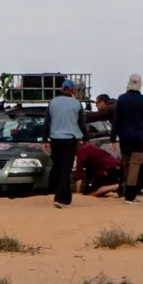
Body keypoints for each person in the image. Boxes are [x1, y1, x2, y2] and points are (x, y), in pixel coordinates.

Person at [46, 79, 84, 207]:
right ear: (72, 91)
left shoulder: (52, 102)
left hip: (55, 139)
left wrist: (45, 139)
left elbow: (47, 122)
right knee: (65, 169)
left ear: (61, 89)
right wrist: (86, 138)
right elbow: (81, 123)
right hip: (70, 140)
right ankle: (60, 198)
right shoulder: (76, 104)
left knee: (58, 167)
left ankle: (66, 197)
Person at [112, 76, 143, 202]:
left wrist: (113, 138)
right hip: (138, 137)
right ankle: (130, 194)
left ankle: (125, 190)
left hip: (124, 136)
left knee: (126, 163)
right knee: (135, 165)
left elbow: (116, 120)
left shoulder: (122, 99)